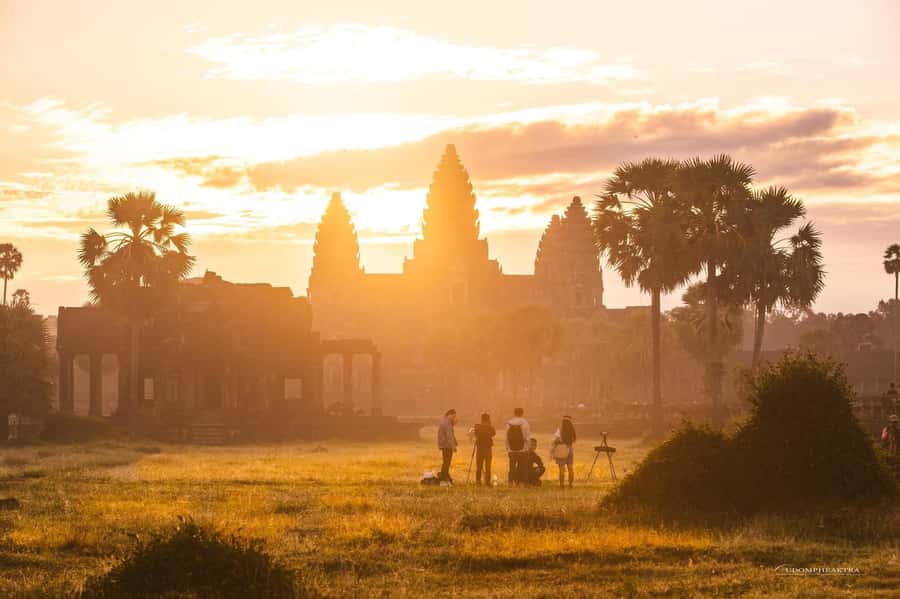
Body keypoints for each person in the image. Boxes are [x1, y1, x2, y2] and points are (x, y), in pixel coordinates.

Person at [505, 407, 531, 485]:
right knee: (524, 468)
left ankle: (510, 483)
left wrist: (508, 448)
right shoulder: (525, 423)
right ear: (522, 413)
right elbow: (527, 437)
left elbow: (506, 437)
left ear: (514, 413)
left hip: (511, 450)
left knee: (512, 467)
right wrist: (528, 447)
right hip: (523, 449)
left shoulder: (509, 423)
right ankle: (525, 483)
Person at [551, 415, 577, 488]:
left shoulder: (560, 430)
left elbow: (555, 440)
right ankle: (570, 484)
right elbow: (573, 440)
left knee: (562, 469)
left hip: (562, 450)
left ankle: (562, 485)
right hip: (570, 449)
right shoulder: (572, 429)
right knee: (570, 468)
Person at [473, 412, 496, 486]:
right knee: (488, 466)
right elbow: (494, 433)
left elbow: (475, 434)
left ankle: (478, 481)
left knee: (479, 466)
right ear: (488, 419)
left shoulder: (478, 426)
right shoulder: (490, 427)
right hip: (488, 449)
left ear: (481, 418)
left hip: (479, 449)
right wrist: (489, 424)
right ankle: (487, 482)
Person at [437, 409, 458, 484]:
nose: (454, 418)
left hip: (444, 445)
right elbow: (449, 436)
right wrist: (453, 446)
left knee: (445, 462)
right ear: (450, 415)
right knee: (447, 462)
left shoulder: (444, 421)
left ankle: (444, 476)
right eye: (453, 416)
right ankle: (444, 477)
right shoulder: (447, 423)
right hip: (447, 446)